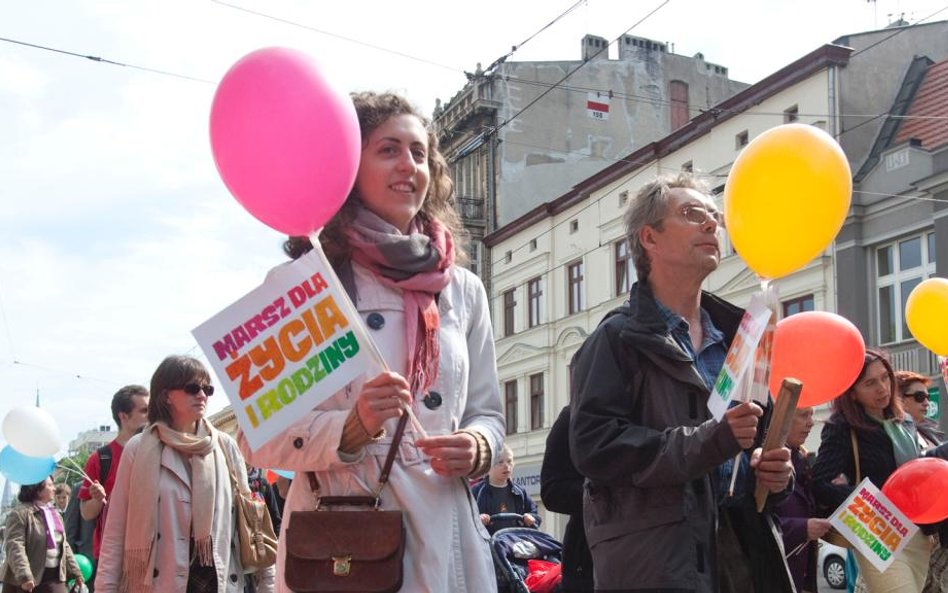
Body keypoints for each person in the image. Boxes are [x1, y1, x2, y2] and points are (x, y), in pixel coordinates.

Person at [241, 91, 505, 592]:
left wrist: (477, 445)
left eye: (420, 152)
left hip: (447, 541)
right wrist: (352, 427)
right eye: (388, 150)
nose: (409, 165)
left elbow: (487, 412)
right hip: (345, 543)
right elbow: (256, 439)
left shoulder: (464, 288)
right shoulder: (305, 283)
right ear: (348, 168)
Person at [568, 172, 794, 593]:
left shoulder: (740, 335)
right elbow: (594, 447)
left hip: (743, 552)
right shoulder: (616, 339)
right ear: (649, 239)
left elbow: (750, 446)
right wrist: (712, 440)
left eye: (714, 216)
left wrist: (774, 474)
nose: (712, 224)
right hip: (659, 564)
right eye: (692, 214)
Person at [96, 355, 252, 593]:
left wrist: (268, 585)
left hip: (217, 582)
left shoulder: (225, 446)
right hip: (159, 584)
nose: (202, 395)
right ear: (166, 395)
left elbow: (249, 522)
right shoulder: (138, 449)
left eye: (207, 389)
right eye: (192, 388)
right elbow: (116, 530)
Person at [813, 349, 930, 592]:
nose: (882, 388)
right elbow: (819, 484)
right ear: (852, 393)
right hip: (877, 531)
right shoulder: (841, 427)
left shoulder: (904, 421)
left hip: (918, 533)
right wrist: (869, 499)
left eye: (885, 377)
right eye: (870, 383)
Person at [77, 384, 149, 589]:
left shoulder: (162, 452)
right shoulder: (100, 459)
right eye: (144, 410)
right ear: (123, 416)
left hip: (154, 552)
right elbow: (86, 514)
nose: (151, 415)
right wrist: (97, 499)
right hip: (115, 557)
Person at [896, 370, 947, 593]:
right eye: (918, 397)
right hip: (906, 535)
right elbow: (911, 472)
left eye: (927, 397)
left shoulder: (930, 434)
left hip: (938, 535)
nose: (926, 402)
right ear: (898, 399)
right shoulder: (892, 435)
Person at [774, 406, 831, 593]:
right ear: (780, 418)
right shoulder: (765, 462)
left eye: (812, 415)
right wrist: (803, 528)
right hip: (774, 574)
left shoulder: (800, 460)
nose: (811, 422)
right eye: (803, 415)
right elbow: (753, 525)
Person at [541, 405, 594, 592]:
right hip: (587, 562)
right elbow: (551, 490)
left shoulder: (660, 405)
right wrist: (605, 492)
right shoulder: (573, 416)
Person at [1, 477, 83, 593]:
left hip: (53, 576)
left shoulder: (55, 514)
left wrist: (76, 573)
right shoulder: (20, 513)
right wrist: (25, 576)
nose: (54, 489)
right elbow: (15, 546)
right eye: (50, 485)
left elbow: (64, 545)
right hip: (26, 579)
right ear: (38, 490)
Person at [473, 444, 541, 534]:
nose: (506, 466)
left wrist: (531, 517)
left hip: (515, 542)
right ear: (488, 466)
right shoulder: (477, 492)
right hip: (487, 544)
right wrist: (478, 519)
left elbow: (534, 513)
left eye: (509, 461)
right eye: (500, 462)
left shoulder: (520, 492)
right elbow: (465, 519)